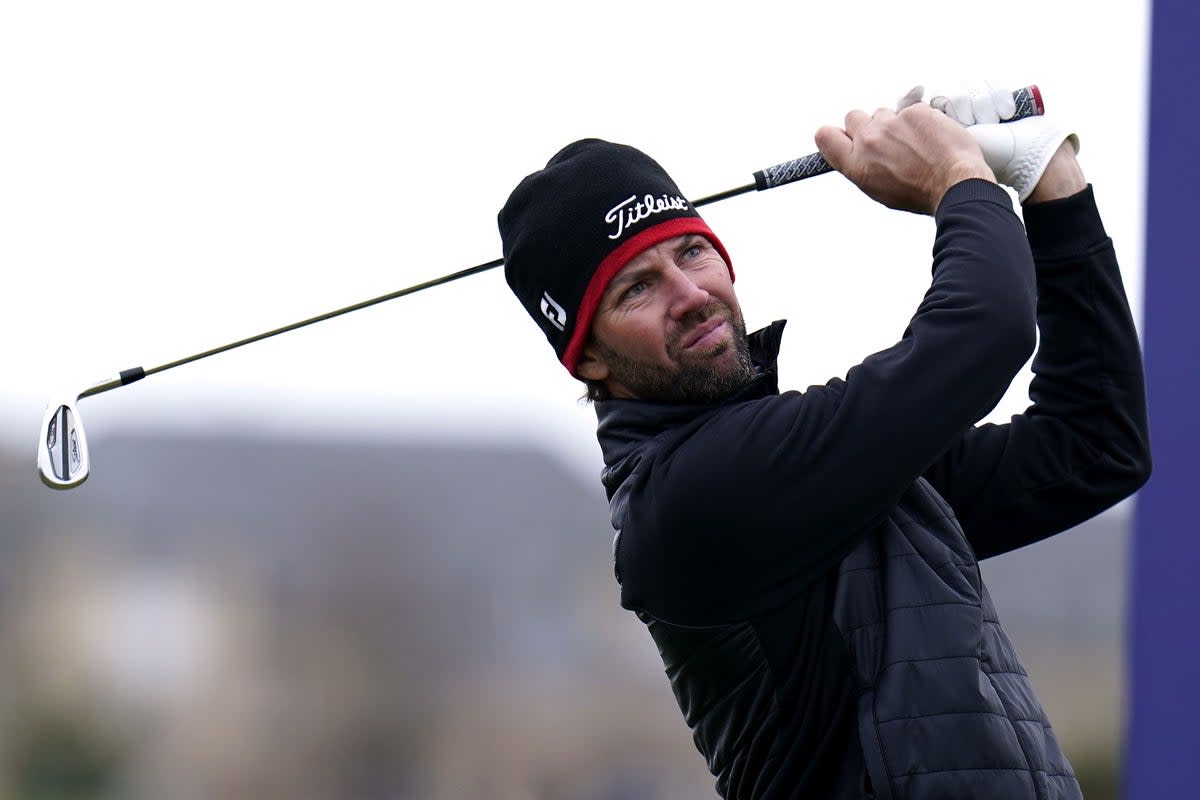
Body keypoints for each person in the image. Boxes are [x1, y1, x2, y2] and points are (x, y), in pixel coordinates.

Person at [497, 85, 1151, 800]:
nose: (689, 293)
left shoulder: (825, 477)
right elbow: (983, 333)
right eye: (636, 290)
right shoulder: (694, 496)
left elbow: (1094, 443)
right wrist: (956, 180)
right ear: (587, 357)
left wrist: (1048, 179)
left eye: (692, 252)